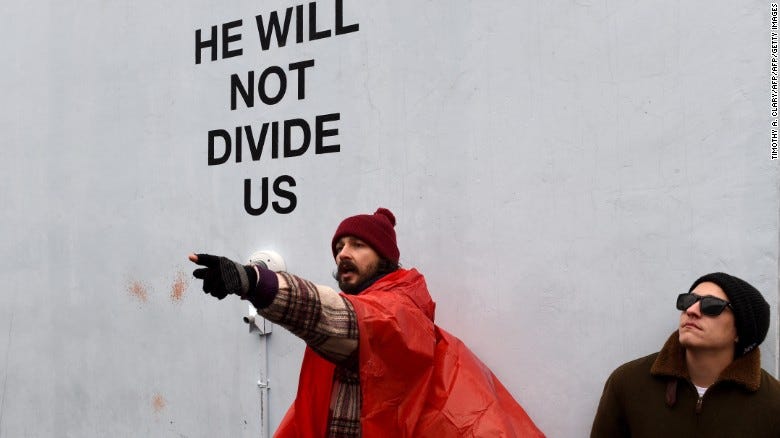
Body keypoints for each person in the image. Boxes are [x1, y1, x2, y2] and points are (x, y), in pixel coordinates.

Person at [189, 207, 544, 437]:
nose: (343, 253)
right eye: (339, 246)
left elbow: (345, 321)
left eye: (358, 245)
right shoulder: (348, 314)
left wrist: (256, 282)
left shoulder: (401, 312)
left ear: (386, 258)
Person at [590, 272, 780, 437]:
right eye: (688, 301)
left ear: (741, 331)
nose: (691, 310)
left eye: (711, 305)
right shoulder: (628, 383)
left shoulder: (773, 402)